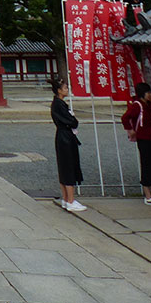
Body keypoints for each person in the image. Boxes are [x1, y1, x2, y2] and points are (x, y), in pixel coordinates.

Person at [121, 81, 151, 207]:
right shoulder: (137, 105)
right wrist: (130, 130)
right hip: (143, 138)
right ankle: (148, 195)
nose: (150, 95)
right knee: (147, 165)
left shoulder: (148, 105)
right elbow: (125, 117)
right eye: (148, 93)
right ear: (142, 94)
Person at [52, 80, 86, 212]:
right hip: (65, 137)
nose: (67, 89)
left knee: (64, 166)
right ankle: (70, 200)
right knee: (68, 166)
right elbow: (72, 122)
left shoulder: (58, 103)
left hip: (63, 136)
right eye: (65, 88)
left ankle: (66, 199)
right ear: (59, 90)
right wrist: (74, 120)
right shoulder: (59, 105)